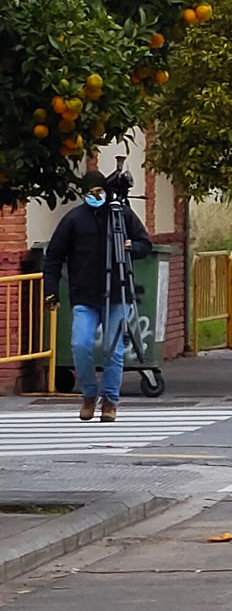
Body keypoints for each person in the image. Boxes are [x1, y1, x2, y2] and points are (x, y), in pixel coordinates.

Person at [42, 169, 153, 422]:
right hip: (84, 296)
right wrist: (51, 291)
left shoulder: (120, 215)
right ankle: (90, 394)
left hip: (116, 293)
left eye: (99, 191)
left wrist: (131, 247)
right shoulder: (74, 220)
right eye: (90, 192)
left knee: (113, 351)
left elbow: (145, 244)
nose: (95, 196)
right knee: (80, 345)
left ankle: (110, 401)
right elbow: (54, 257)